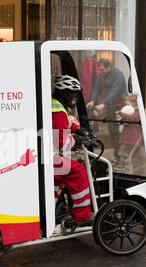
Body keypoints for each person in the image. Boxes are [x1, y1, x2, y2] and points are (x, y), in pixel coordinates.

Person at [52, 73, 92, 227]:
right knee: (78, 171)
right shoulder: (56, 109)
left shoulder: (56, 105)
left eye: (76, 93)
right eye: (72, 93)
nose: (75, 97)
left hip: (46, 157)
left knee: (60, 180)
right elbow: (61, 141)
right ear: (64, 92)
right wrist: (77, 139)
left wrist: (78, 129)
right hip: (50, 158)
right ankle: (82, 216)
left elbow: (65, 121)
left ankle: (49, 211)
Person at [87, 59, 127, 163]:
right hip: (109, 105)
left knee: (120, 131)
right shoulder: (101, 75)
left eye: (103, 70)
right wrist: (92, 100)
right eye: (99, 70)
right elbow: (96, 88)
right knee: (112, 130)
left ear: (109, 67)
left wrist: (103, 104)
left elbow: (115, 91)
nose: (101, 72)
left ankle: (122, 156)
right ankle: (116, 155)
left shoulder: (118, 74)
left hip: (120, 105)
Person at [114, 94, 144, 173]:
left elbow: (132, 118)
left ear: (134, 103)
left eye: (127, 104)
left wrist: (123, 115)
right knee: (127, 149)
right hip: (127, 134)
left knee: (128, 150)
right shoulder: (129, 111)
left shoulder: (138, 112)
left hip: (133, 135)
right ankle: (124, 163)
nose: (126, 106)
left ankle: (122, 164)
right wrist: (119, 117)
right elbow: (124, 119)